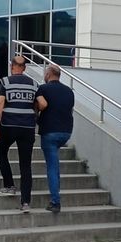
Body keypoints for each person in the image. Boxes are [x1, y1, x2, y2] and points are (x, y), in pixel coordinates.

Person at [0, 54, 39, 213]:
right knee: (25, 165)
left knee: (1, 152)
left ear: (12, 67)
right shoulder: (34, 84)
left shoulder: (6, 82)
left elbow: (0, 103)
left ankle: (9, 185)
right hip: (27, 127)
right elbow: (39, 104)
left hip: (8, 125)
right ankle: (25, 203)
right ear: (24, 68)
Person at [36, 64, 75, 213]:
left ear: (49, 74)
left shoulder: (43, 89)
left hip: (49, 132)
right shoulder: (69, 91)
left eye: (46, 73)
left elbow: (40, 106)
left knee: (52, 167)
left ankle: (55, 201)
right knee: (55, 164)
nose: (45, 75)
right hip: (66, 132)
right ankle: (55, 194)